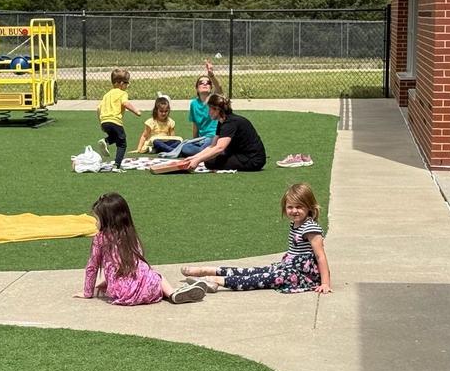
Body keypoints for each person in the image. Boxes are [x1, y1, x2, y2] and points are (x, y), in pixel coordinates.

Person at [182, 183, 332, 294]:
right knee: (253, 271)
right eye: (290, 207)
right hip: (289, 266)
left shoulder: (310, 228)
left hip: (302, 275)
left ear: (309, 207)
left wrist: (325, 283)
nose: (294, 211)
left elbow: (320, 256)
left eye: (299, 207)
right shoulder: (296, 223)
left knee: (263, 278)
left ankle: (215, 281)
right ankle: (207, 271)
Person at [75, 192, 206, 305]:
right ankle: (171, 293)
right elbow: (134, 263)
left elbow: (92, 266)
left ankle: (176, 293)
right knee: (154, 275)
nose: (96, 223)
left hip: (123, 293)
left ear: (107, 221)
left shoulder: (100, 238)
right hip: (149, 290)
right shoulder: (130, 234)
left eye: (97, 219)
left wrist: (87, 292)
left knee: (133, 276)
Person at [180, 93, 266, 172]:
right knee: (209, 159)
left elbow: (220, 148)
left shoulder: (230, 123)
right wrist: (194, 157)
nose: (208, 112)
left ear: (217, 110)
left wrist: (198, 161)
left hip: (252, 160)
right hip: (241, 155)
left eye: (210, 109)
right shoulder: (222, 122)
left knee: (210, 162)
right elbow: (212, 146)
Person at [96, 69, 141, 170]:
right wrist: (136, 111)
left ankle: (105, 141)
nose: (127, 86)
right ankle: (117, 165)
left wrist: (101, 123)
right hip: (115, 121)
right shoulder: (122, 93)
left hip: (104, 122)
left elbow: (98, 109)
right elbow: (125, 103)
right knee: (122, 143)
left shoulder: (106, 95)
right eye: (127, 83)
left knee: (115, 137)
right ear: (121, 83)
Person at [187, 60, 223, 150]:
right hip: (201, 139)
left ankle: (206, 152)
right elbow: (195, 125)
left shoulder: (214, 100)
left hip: (214, 137)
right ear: (197, 88)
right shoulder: (193, 104)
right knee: (186, 147)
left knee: (205, 146)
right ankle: (206, 153)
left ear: (211, 88)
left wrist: (211, 75)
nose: (205, 84)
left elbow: (219, 88)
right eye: (201, 83)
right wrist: (194, 140)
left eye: (208, 83)